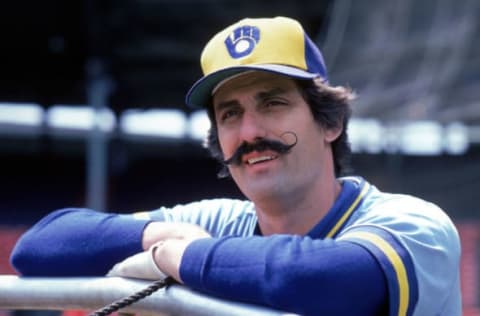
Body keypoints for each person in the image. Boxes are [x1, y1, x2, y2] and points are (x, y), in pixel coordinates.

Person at [10, 16, 461, 316]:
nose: (249, 132)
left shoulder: (413, 222)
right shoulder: (215, 222)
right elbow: (38, 249)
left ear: (331, 123)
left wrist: (181, 257)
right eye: (229, 114)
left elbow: (328, 280)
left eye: (273, 103)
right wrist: (161, 236)